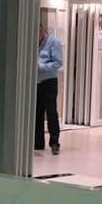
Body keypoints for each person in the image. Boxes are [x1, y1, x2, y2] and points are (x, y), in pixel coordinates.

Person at [36, 23, 62, 155]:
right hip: (36, 82)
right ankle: (37, 143)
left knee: (51, 112)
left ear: (42, 31)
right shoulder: (33, 43)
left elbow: (58, 62)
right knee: (37, 112)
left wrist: (41, 67)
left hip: (49, 81)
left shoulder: (53, 42)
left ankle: (54, 143)